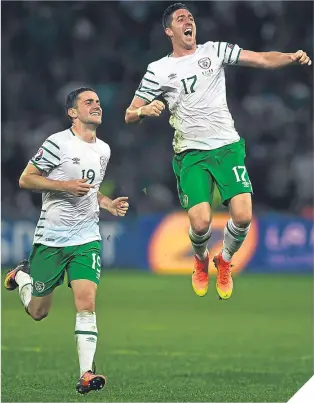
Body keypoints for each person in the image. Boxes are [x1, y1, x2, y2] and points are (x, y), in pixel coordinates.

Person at [125, 3, 311, 300]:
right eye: (180, 19)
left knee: (243, 215)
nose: (188, 21)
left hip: (226, 147)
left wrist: (290, 57)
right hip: (190, 153)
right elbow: (129, 114)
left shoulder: (214, 50)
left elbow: (261, 59)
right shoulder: (158, 70)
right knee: (200, 223)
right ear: (168, 31)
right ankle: (199, 260)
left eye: (190, 17)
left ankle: (223, 260)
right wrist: (145, 109)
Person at [4, 88, 129, 394]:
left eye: (98, 101)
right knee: (38, 311)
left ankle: (86, 374)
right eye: (89, 102)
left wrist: (107, 203)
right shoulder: (57, 143)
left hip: (87, 238)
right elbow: (26, 178)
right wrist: (62, 186)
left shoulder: (104, 150)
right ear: (73, 113)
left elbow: (89, 189)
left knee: (86, 301)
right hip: (52, 239)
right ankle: (21, 276)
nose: (97, 105)